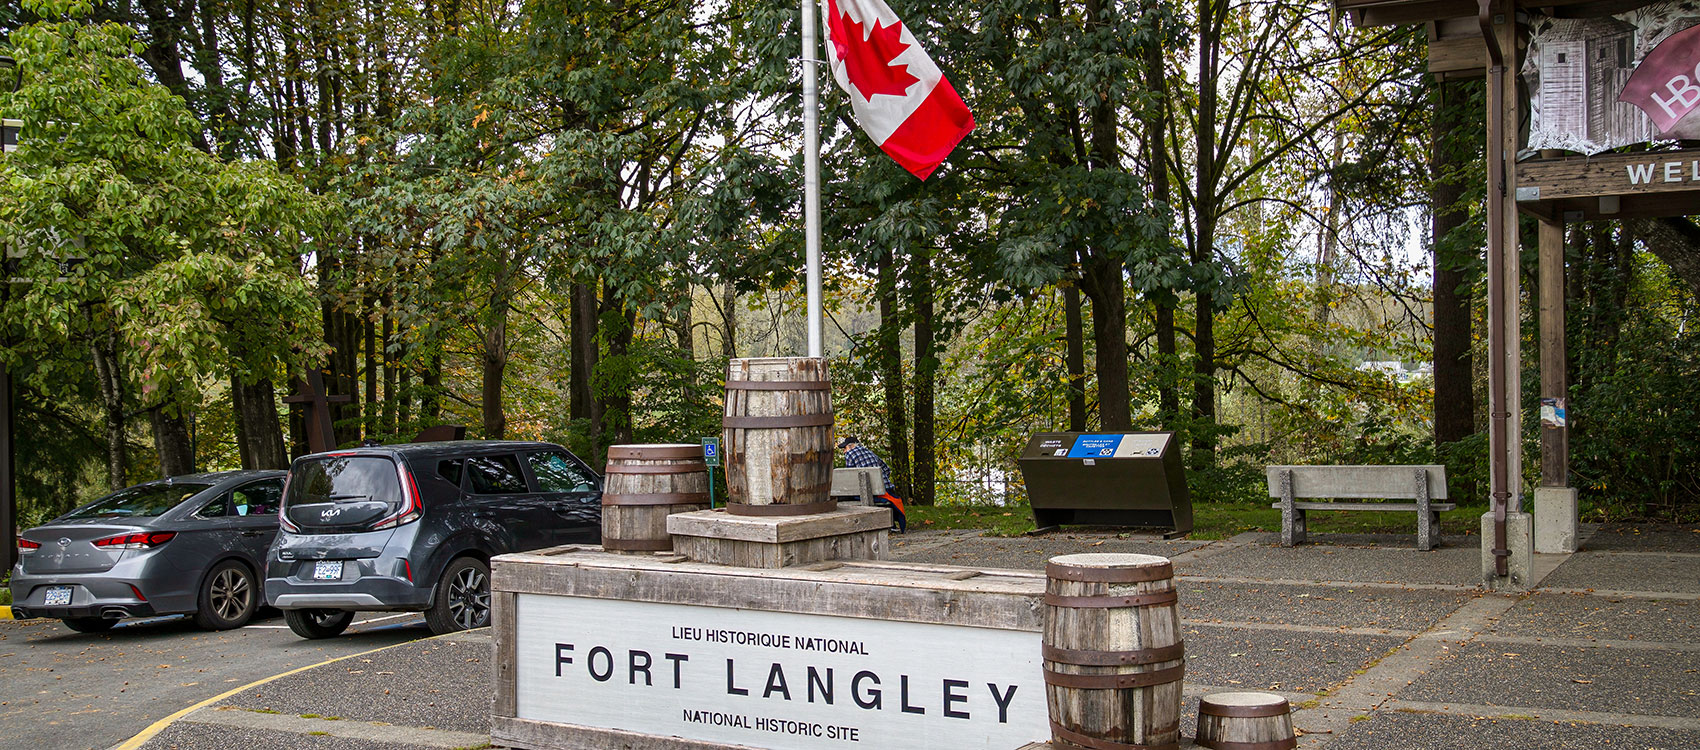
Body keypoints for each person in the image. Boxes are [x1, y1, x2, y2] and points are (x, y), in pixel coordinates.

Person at [838, 436, 906, 533]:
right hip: (885, 490)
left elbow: (851, 477)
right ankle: (891, 524)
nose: (844, 451)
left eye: (844, 448)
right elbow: (887, 469)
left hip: (868, 493)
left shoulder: (850, 454)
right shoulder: (870, 452)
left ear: (851, 446)